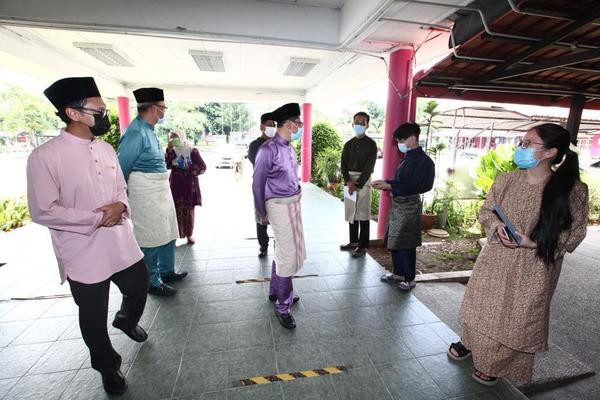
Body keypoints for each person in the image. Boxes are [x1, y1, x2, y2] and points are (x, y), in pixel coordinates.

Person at [27, 77, 149, 395]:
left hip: (120, 241)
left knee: (138, 287)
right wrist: (95, 217)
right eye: (98, 109)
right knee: (93, 317)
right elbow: (42, 210)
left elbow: (121, 187)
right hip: (82, 249)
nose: (104, 114)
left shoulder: (106, 148)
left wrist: (121, 205)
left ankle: (125, 319)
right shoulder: (45, 157)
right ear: (74, 112)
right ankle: (108, 368)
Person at [448, 123, 589, 386]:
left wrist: (533, 243)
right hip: (495, 259)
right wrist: (495, 227)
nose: (520, 148)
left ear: (549, 153)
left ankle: (495, 363)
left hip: (534, 268)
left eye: (527, 144)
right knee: (482, 306)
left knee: (516, 316)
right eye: (521, 142)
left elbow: (574, 235)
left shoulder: (572, 191)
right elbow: (487, 211)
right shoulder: (506, 180)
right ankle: (471, 343)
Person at [118, 87, 187, 297]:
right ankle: (152, 281)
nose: (164, 111)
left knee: (167, 231)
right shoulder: (135, 132)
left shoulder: (149, 129)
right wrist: (121, 198)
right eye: (163, 107)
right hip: (145, 191)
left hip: (160, 190)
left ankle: (167, 271)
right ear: (154, 109)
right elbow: (121, 167)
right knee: (150, 237)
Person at [252, 103, 305, 329]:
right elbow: (257, 184)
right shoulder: (267, 149)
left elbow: (292, 176)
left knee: (286, 249)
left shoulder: (290, 148)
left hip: (293, 204)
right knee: (287, 253)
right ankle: (283, 306)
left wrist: (299, 190)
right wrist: (262, 213)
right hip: (276, 205)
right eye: (299, 122)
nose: (301, 126)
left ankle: (277, 289)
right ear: (290, 123)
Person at [372, 122, 434, 291]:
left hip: (409, 206)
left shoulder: (424, 161)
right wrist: (387, 182)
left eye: (401, 139)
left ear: (412, 138)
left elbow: (417, 186)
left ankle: (409, 278)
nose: (399, 143)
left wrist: (390, 186)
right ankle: (397, 272)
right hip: (399, 205)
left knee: (406, 242)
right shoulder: (408, 159)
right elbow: (402, 182)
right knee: (394, 239)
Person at [340, 111, 378, 258]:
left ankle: (363, 246)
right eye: (357, 122)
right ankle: (353, 242)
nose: (359, 125)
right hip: (349, 180)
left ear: (367, 125)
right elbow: (343, 164)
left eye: (363, 123)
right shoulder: (348, 144)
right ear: (352, 124)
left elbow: (370, 166)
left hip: (363, 181)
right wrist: (348, 181)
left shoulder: (371, 144)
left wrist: (358, 183)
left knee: (363, 214)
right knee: (351, 213)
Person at [165, 130, 207, 245]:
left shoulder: (192, 150)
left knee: (188, 211)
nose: (173, 139)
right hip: (175, 184)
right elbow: (167, 165)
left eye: (176, 137)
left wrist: (189, 168)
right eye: (171, 137)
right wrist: (169, 150)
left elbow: (203, 167)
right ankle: (175, 236)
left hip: (189, 185)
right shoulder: (172, 151)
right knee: (174, 210)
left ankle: (189, 235)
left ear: (182, 137)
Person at [248, 112, 276, 257]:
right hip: (261, 187)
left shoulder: (277, 143)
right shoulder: (254, 145)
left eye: (274, 125)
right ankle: (263, 245)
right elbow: (257, 164)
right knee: (261, 218)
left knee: (277, 217)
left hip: (276, 188)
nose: (273, 128)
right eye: (270, 125)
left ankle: (279, 246)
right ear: (261, 127)